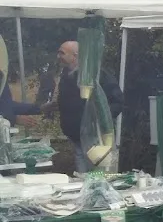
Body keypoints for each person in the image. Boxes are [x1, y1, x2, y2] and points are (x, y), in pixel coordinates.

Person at [41, 41, 123, 174]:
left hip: (95, 140)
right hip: (76, 138)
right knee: (83, 177)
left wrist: (98, 120)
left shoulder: (96, 75)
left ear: (75, 55)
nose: (58, 56)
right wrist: (55, 106)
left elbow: (118, 102)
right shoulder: (66, 75)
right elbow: (72, 102)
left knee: (98, 176)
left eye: (62, 53)